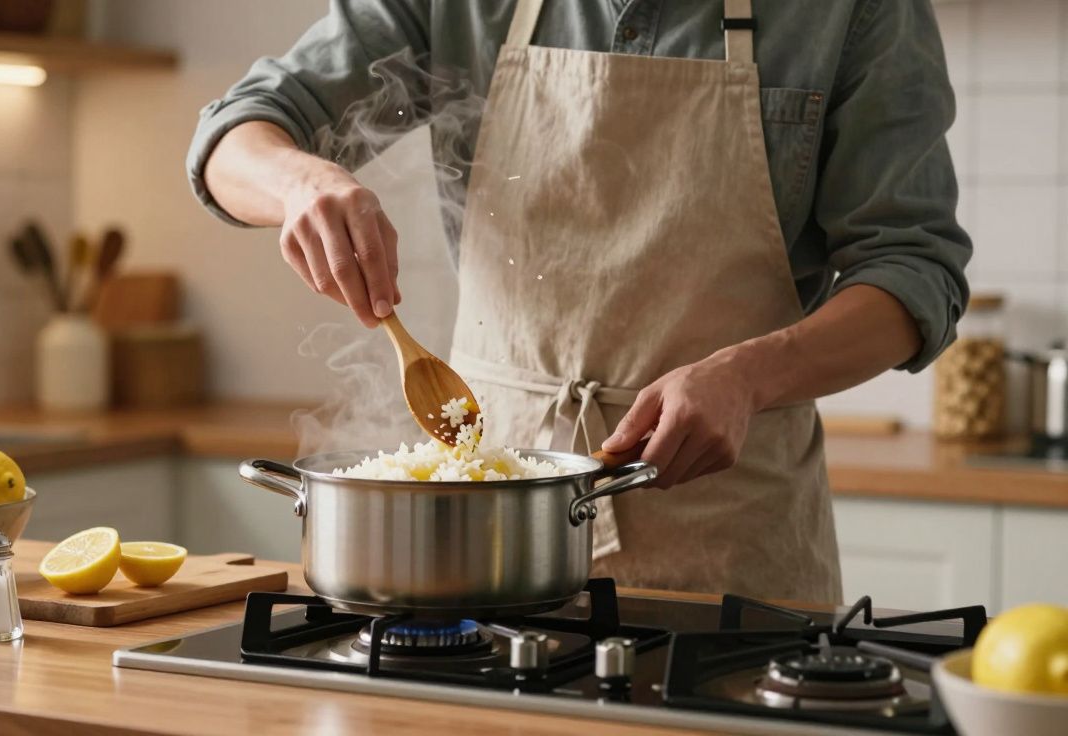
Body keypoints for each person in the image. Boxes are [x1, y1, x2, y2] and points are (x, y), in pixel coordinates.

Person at [188, 0, 971, 603]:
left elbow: (913, 270)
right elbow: (236, 135)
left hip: (733, 538)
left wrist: (747, 376)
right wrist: (301, 181)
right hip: (489, 539)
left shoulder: (856, 10)